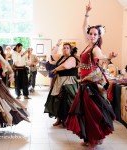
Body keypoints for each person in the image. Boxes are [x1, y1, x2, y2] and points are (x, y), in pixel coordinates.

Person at [65, 1, 117, 150]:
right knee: (84, 113)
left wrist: (109, 57)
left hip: (91, 86)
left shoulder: (95, 49)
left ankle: (94, 140)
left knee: (92, 114)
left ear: (98, 36)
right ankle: (89, 138)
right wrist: (87, 13)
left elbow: (101, 56)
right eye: (91, 33)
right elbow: (83, 27)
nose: (92, 36)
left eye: (95, 34)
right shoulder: (87, 44)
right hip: (83, 84)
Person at [44, 43, 79, 127]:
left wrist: (55, 69)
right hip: (59, 81)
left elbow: (65, 66)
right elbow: (53, 53)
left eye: (67, 48)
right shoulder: (61, 57)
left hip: (68, 82)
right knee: (57, 100)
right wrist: (58, 45)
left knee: (67, 101)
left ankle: (67, 121)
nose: (65, 49)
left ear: (70, 50)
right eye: (64, 48)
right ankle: (59, 119)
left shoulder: (72, 58)